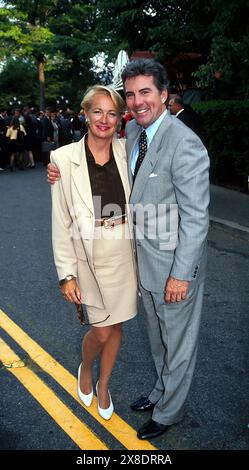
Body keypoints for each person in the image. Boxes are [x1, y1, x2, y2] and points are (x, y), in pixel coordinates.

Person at [48, 59, 210, 440]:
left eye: (146, 92)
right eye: (132, 94)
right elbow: (86, 171)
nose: (138, 101)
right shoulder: (134, 133)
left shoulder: (184, 143)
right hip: (138, 263)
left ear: (165, 94)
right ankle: (159, 392)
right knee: (158, 340)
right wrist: (56, 171)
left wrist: (181, 275)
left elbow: (197, 217)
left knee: (178, 344)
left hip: (173, 268)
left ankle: (168, 412)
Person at [50, 85, 137, 421]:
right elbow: (61, 220)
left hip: (124, 255)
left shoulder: (128, 150)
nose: (104, 119)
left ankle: (104, 384)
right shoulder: (63, 159)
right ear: (85, 113)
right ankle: (86, 369)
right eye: (97, 111)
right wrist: (66, 274)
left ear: (120, 118)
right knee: (101, 330)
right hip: (88, 256)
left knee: (116, 327)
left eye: (112, 113)